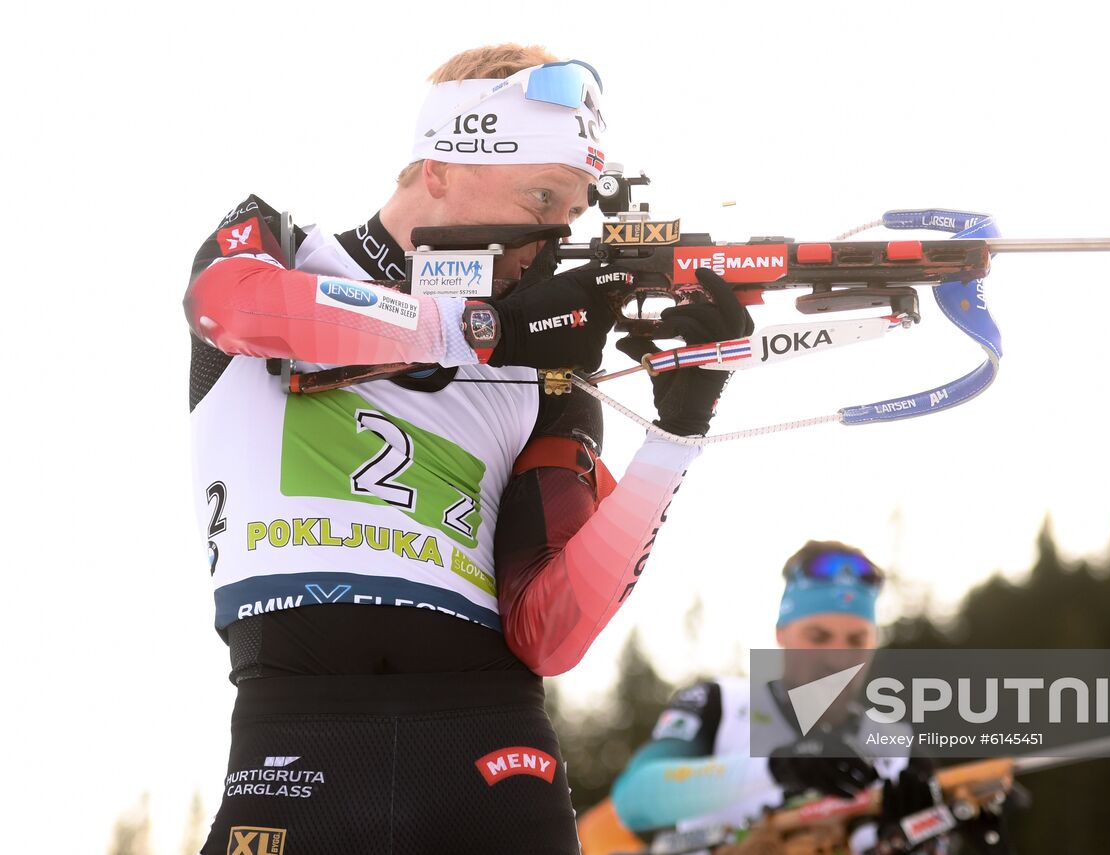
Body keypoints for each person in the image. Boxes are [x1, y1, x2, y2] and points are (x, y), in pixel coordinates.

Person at [184, 43, 751, 854]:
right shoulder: (281, 248)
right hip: (299, 734)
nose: (557, 233)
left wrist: (675, 437)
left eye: (575, 210)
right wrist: (478, 329)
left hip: (491, 746)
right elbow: (230, 309)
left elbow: (549, 632)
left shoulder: (545, 362)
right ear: (441, 165)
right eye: (543, 195)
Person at [598, 541, 941, 854]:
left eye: (856, 640)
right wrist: (775, 766)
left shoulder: (899, 748)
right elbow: (635, 799)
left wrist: (916, 838)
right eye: (818, 636)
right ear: (782, 634)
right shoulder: (722, 705)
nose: (838, 658)